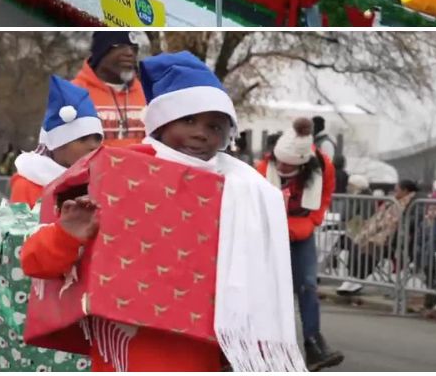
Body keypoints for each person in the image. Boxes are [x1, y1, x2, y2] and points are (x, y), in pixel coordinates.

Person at [21, 51, 308, 371]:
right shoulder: (114, 172)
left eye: (214, 126)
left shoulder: (244, 191)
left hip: (200, 355)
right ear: (161, 121)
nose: (201, 133)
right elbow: (34, 260)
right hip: (130, 352)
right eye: (188, 120)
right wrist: (66, 234)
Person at [254, 118, 343, 369]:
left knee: (307, 286)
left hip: (302, 232)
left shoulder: (322, 167)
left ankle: (314, 344)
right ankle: (265, 346)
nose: (282, 166)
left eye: (289, 164)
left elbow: (325, 196)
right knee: (268, 289)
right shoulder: (263, 169)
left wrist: (312, 222)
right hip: (268, 234)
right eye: (280, 161)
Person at [8, 76, 104, 206]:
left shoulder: (99, 183)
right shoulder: (29, 183)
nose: (93, 146)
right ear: (58, 144)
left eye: (97, 139)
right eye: (82, 139)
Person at [71, 31, 147, 145]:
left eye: (134, 48)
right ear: (101, 52)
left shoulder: (146, 92)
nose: (130, 53)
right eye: (121, 46)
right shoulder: (73, 92)